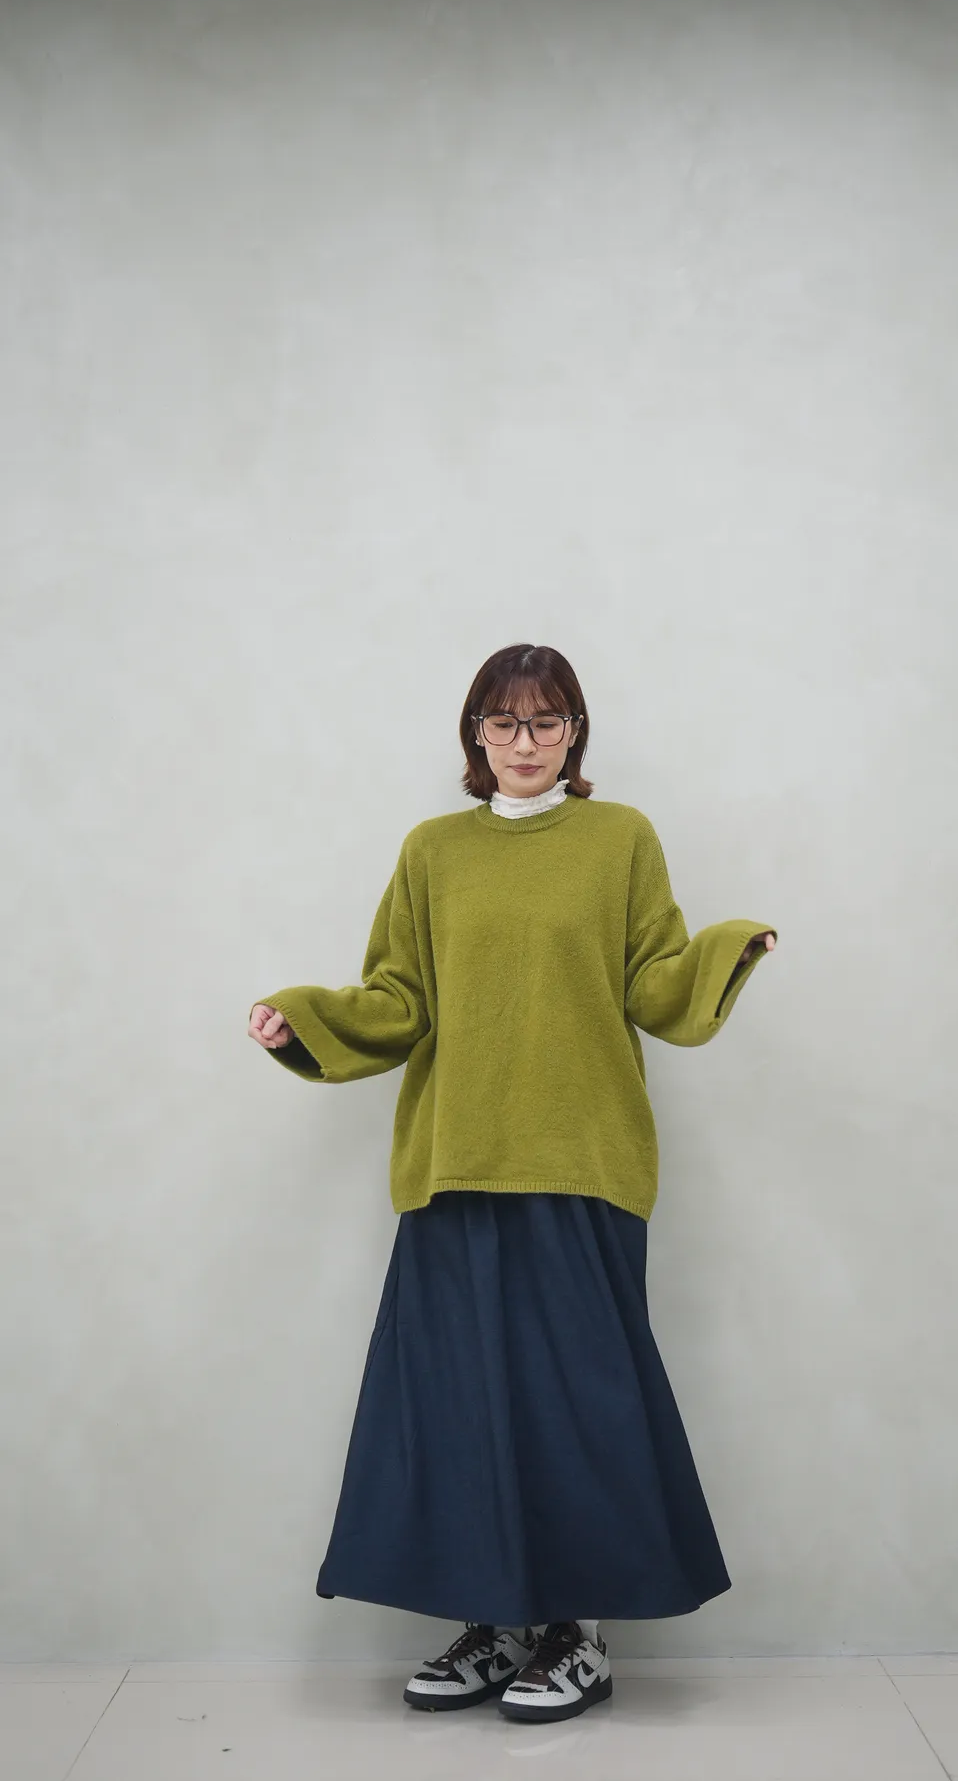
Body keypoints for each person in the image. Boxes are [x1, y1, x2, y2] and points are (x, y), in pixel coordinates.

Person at [247, 642, 777, 1725]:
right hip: (454, 1166)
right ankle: (494, 1623)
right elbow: (398, 997)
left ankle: (577, 1633)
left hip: (583, 1161)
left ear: (575, 732)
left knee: (578, 1405)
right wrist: (303, 1020)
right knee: (460, 1406)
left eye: (546, 722)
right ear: (475, 734)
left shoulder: (619, 838)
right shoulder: (433, 852)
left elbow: (654, 980)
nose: (525, 742)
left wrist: (724, 949)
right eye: (504, 721)